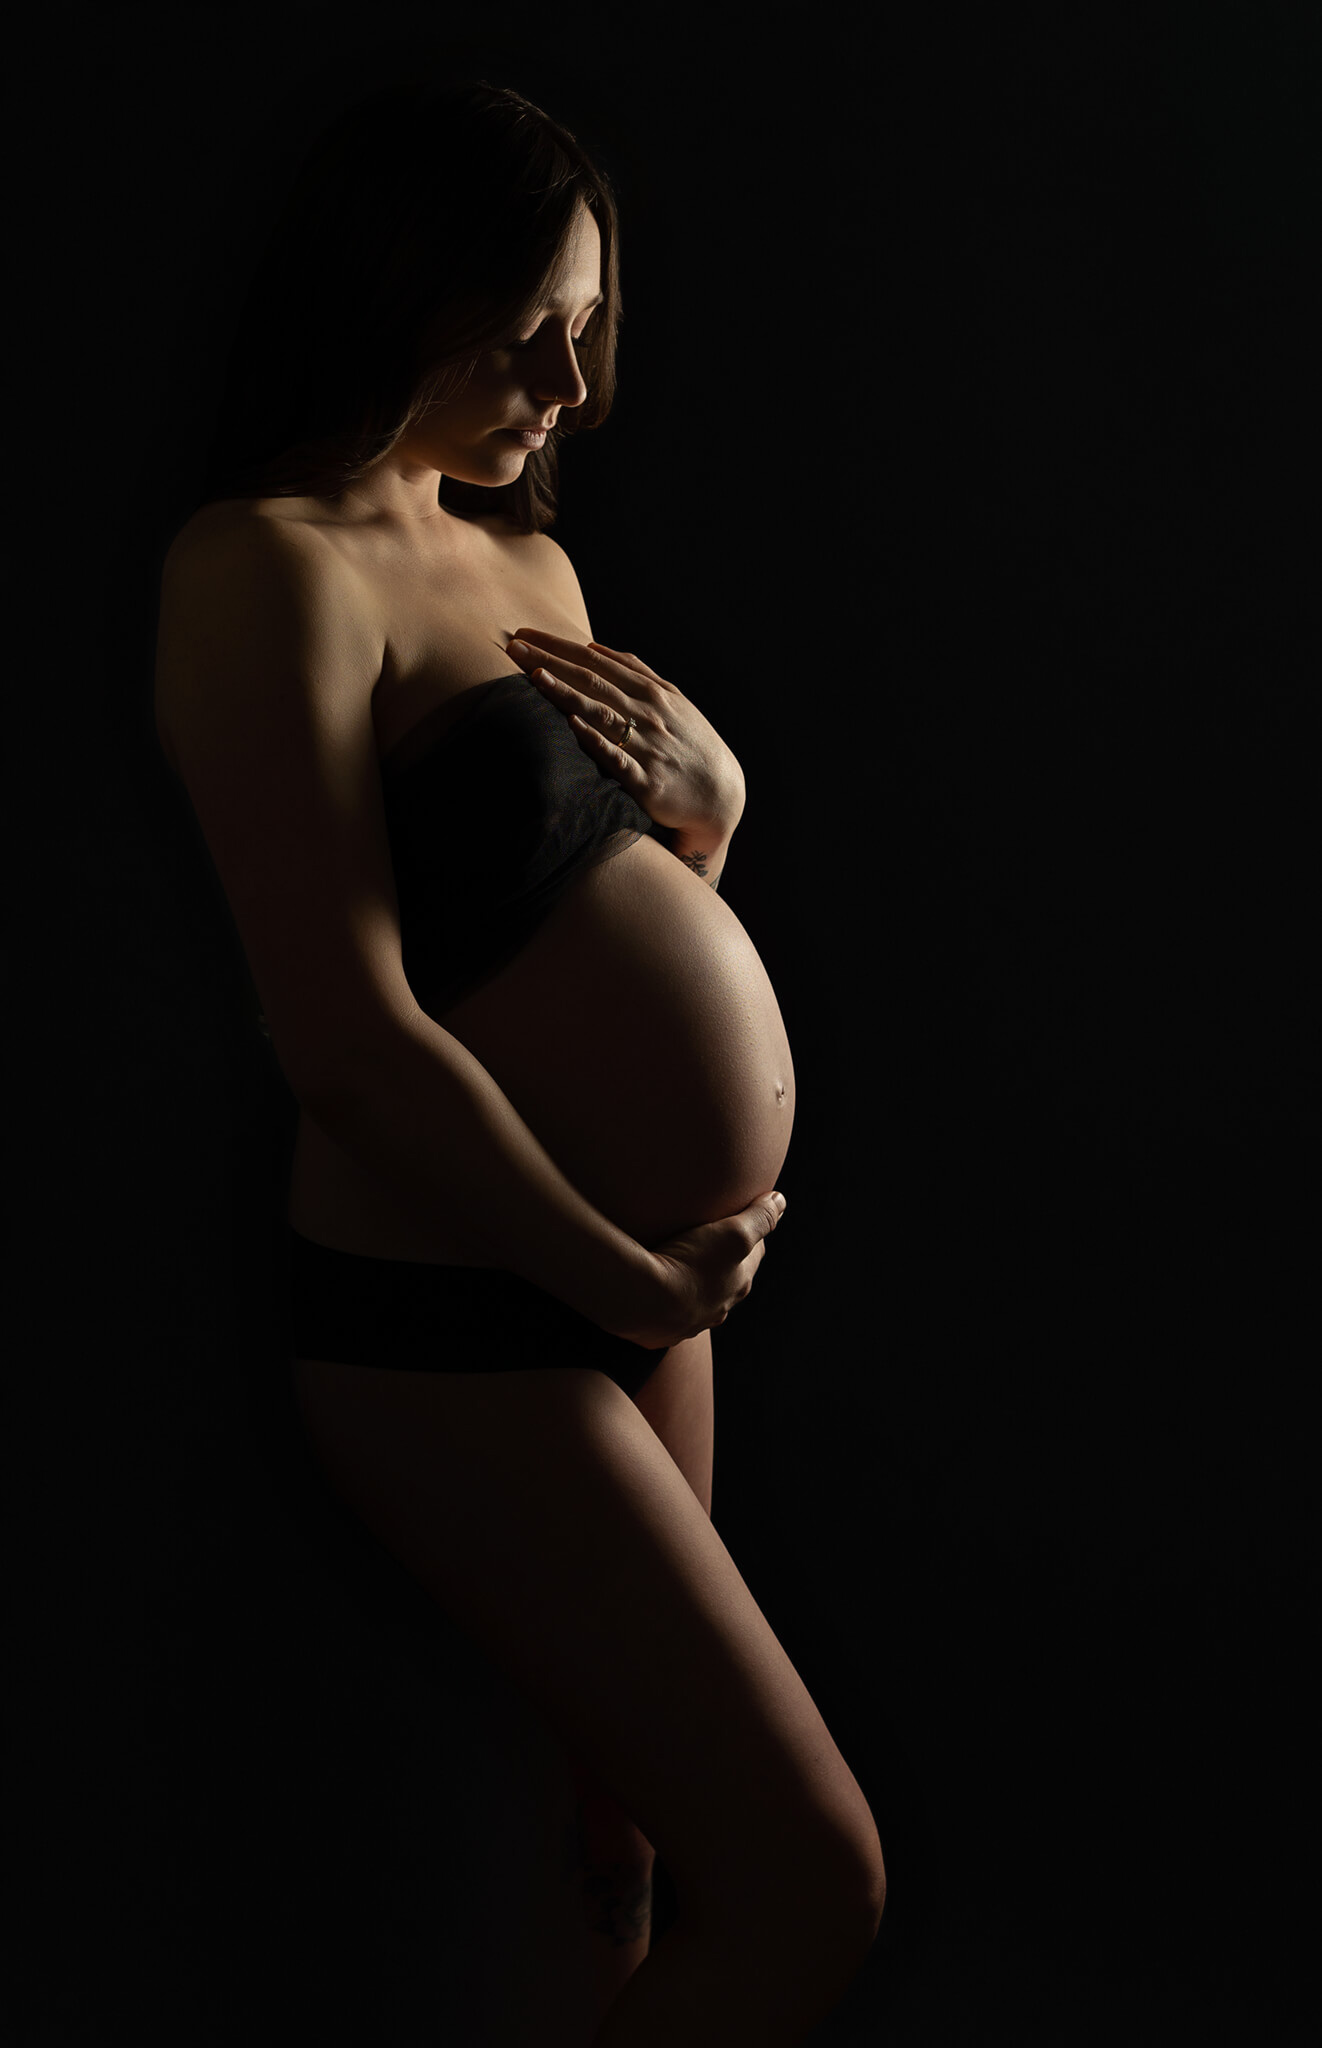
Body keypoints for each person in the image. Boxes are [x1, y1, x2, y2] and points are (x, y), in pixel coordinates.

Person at [153, 72, 885, 2045]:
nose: (569, 380)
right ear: (392, 298)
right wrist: (625, 1274)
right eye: (521, 331)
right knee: (813, 1878)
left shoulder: (528, 566)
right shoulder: (266, 569)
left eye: (593, 325)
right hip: (458, 1302)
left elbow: (569, 917)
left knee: (618, 1858)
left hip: (644, 1296)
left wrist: (714, 818)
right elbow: (352, 1037)